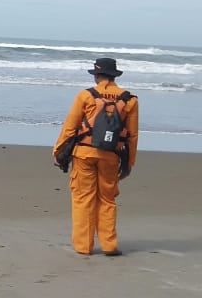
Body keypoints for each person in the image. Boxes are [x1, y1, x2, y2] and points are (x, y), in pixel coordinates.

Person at [53, 58, 139, 256]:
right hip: (111, 156)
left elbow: (70, 127)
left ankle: (84, 246)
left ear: (97, 75)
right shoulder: (130, 99)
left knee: (83, 198)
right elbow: (132, 136)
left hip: (84, 153)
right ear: (114, 75)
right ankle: (109, 244)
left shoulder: (86, 96)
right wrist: (129, 163)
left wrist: (58, 152)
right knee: (107, 199)